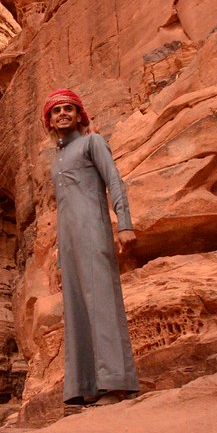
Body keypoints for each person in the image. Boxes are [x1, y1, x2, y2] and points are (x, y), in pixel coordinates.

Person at [43, 88, 140, 406]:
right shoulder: (56, 162)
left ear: (79, 114)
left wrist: (124, 223)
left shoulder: (92, 142)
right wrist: (58, 261)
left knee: (101, 305)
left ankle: (115, 384)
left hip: (95, 233)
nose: (62, 114)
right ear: (50, 120)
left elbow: (114, 180)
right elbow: (61, 211)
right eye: (56, 111)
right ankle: (84, 386)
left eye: (68, 109)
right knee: (76, 310)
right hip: (69, 247)